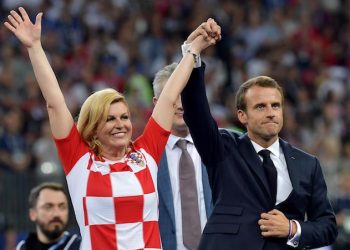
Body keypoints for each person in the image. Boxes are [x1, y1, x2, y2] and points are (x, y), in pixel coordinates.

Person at [4, 7, 221, 249]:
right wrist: (35, 47)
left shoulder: (145, 153)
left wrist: (192, 51)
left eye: (125, 117)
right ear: (93, 127)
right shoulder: (79, 161)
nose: (121, 125)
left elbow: (170, 97)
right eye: (110, 119)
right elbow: (55, 103)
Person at [180, 19, 337, 249]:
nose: (271, 113)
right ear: (242, 116)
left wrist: (293, 228)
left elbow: (328, 226)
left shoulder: (308, 163)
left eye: (276, 106)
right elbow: (195, 112)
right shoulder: (223, 147)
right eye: (260, 107)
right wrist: (192, 54)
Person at [153, 63, 212, 250]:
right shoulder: (144, 156)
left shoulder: (220, 147)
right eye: (173, 95)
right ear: (157, 103)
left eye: (185, 93)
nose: (180, 104)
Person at [16, 182, 81, 250]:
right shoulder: (23, 247)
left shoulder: (82, 246)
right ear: (33, 214)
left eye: (62, 207)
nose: (56, 214)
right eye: (48, 207)